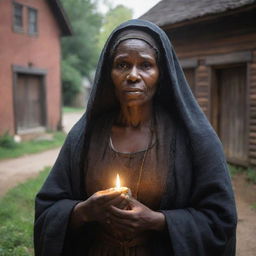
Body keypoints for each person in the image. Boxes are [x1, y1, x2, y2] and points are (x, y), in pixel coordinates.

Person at [34, 19, 237, 256]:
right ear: (108, 73)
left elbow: (220, 218)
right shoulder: (85, 137)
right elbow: (48, 209)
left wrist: (157, 221)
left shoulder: (193, 139)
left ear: (161, 74)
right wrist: (83, 211)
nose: (133, 75)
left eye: (145, 65)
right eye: (122, 65)